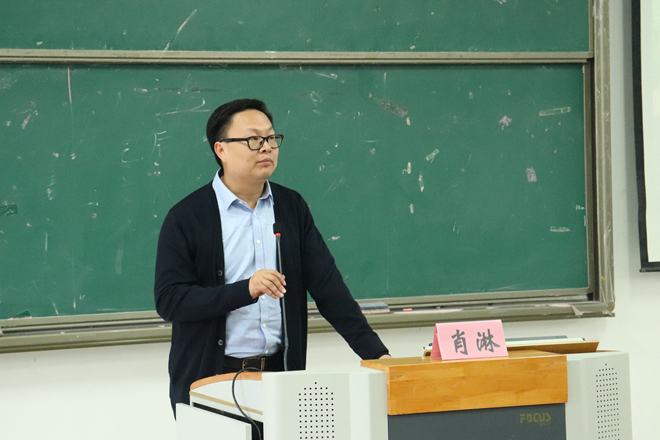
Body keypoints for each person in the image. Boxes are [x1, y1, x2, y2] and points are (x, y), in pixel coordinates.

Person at [154, 98, 391, 415]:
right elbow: (170, 300)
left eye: (271, 138)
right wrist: (245, 289)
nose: (266, 147)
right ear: (221, 149)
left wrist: (378, 356)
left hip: (282, 379)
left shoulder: (291, 207)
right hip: (211, 381)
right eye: (253, 139)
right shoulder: (187, 217)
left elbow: (329, 289)